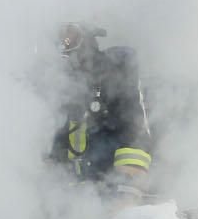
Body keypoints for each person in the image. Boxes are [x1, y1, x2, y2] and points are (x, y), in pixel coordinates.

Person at [49, 22, 153, 193]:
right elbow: (54, 153)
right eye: (61, 39)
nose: (65, 44)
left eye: (71, 36)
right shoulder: (59, 87)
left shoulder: (115, 73)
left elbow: (135, 132)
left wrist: (128, 191)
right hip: (76, 199)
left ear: (87, 37)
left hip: (115, 191)